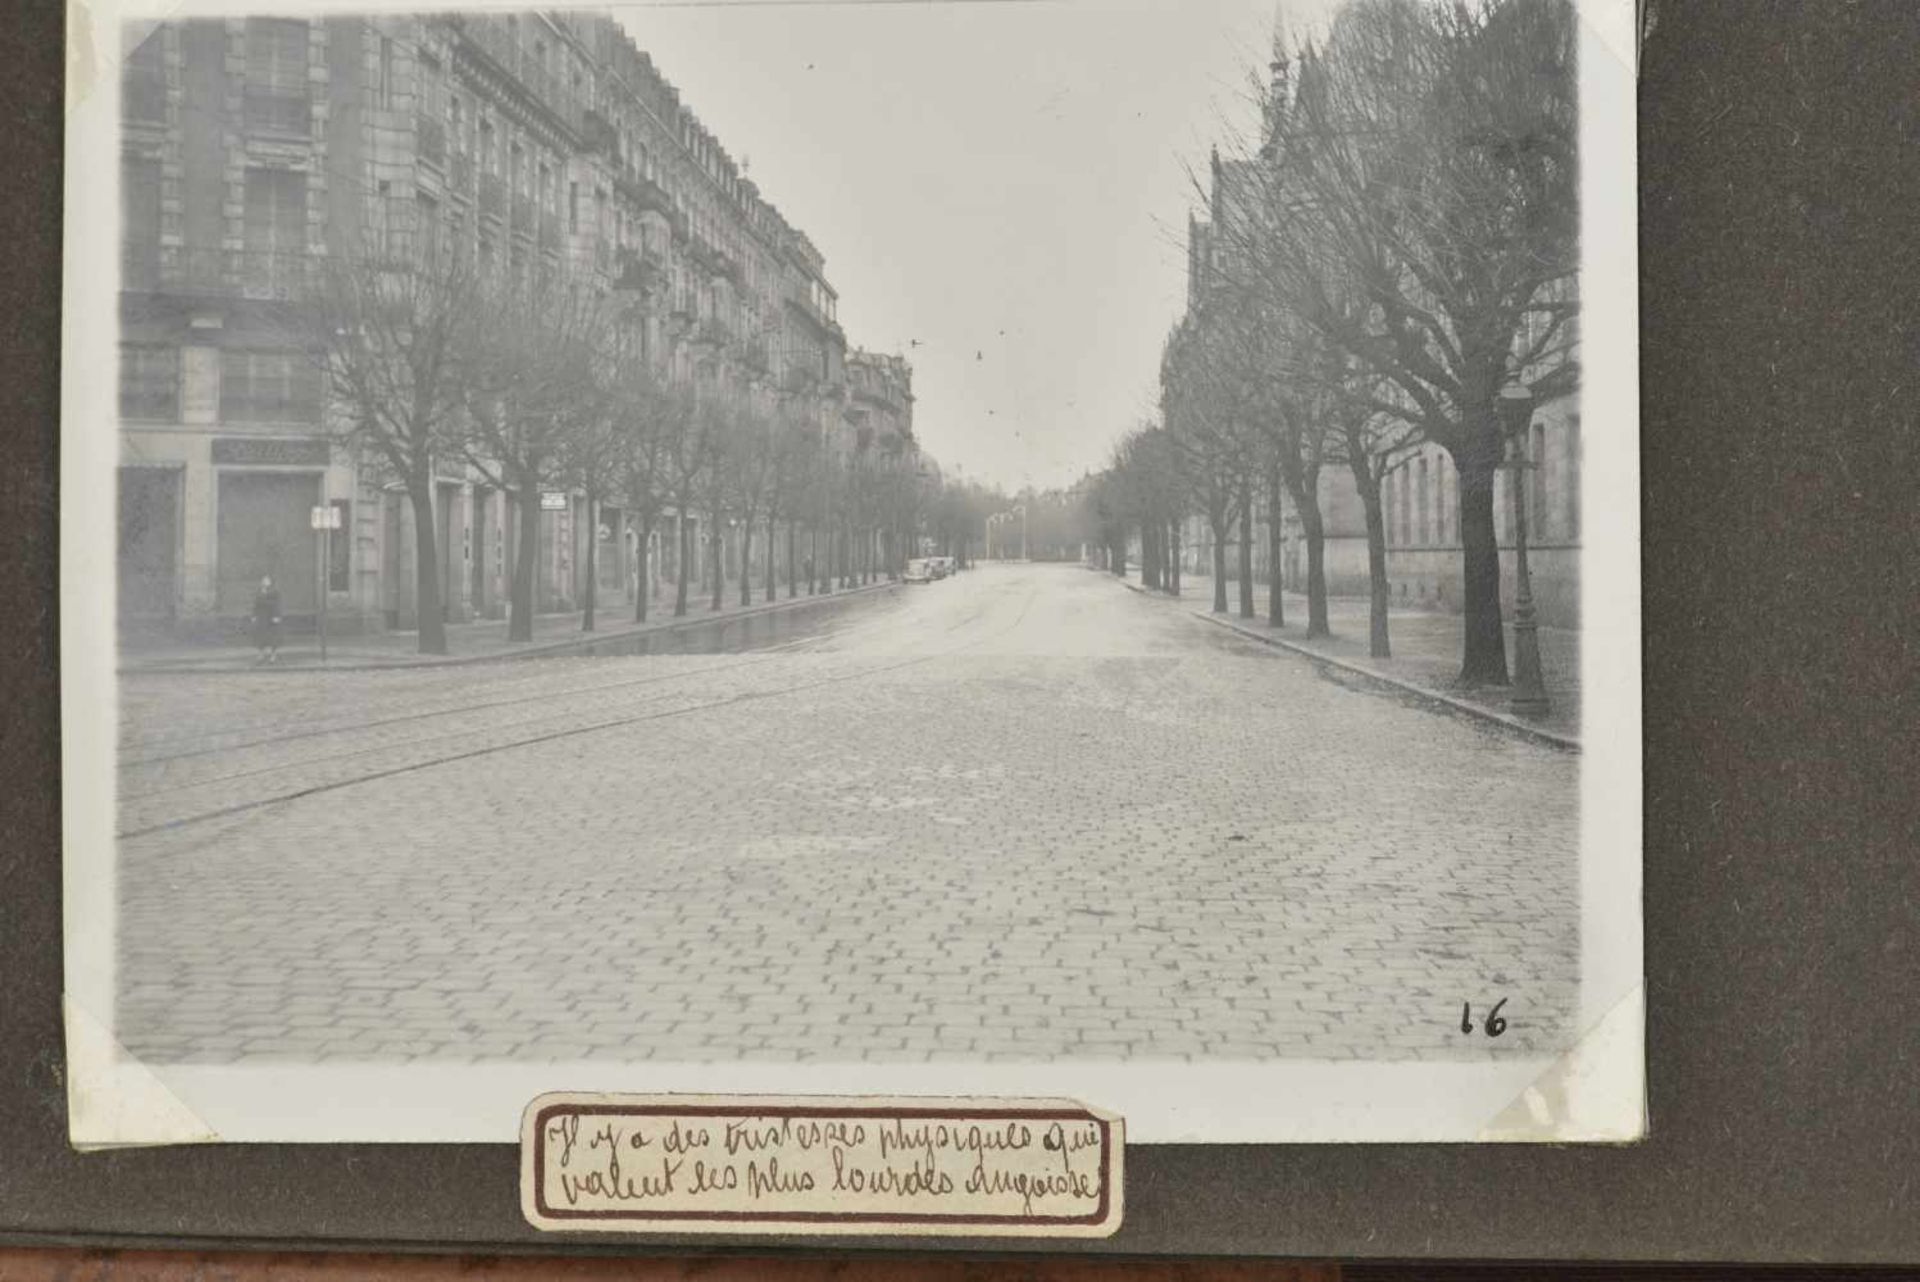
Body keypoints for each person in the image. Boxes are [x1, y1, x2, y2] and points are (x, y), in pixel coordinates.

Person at [252, 574, 282, 665]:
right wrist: (254, 616)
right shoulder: (259, 591)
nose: (265, 582)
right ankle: (261, 654)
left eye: (267, 580)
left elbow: (277, 604)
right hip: (261, 617)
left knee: (272, 637)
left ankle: (273, 655)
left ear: (270, 581)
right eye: (263, 580)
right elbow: (255, 604)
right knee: (261, 636)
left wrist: (277, 616)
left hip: (271, 617)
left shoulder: (274, 591)